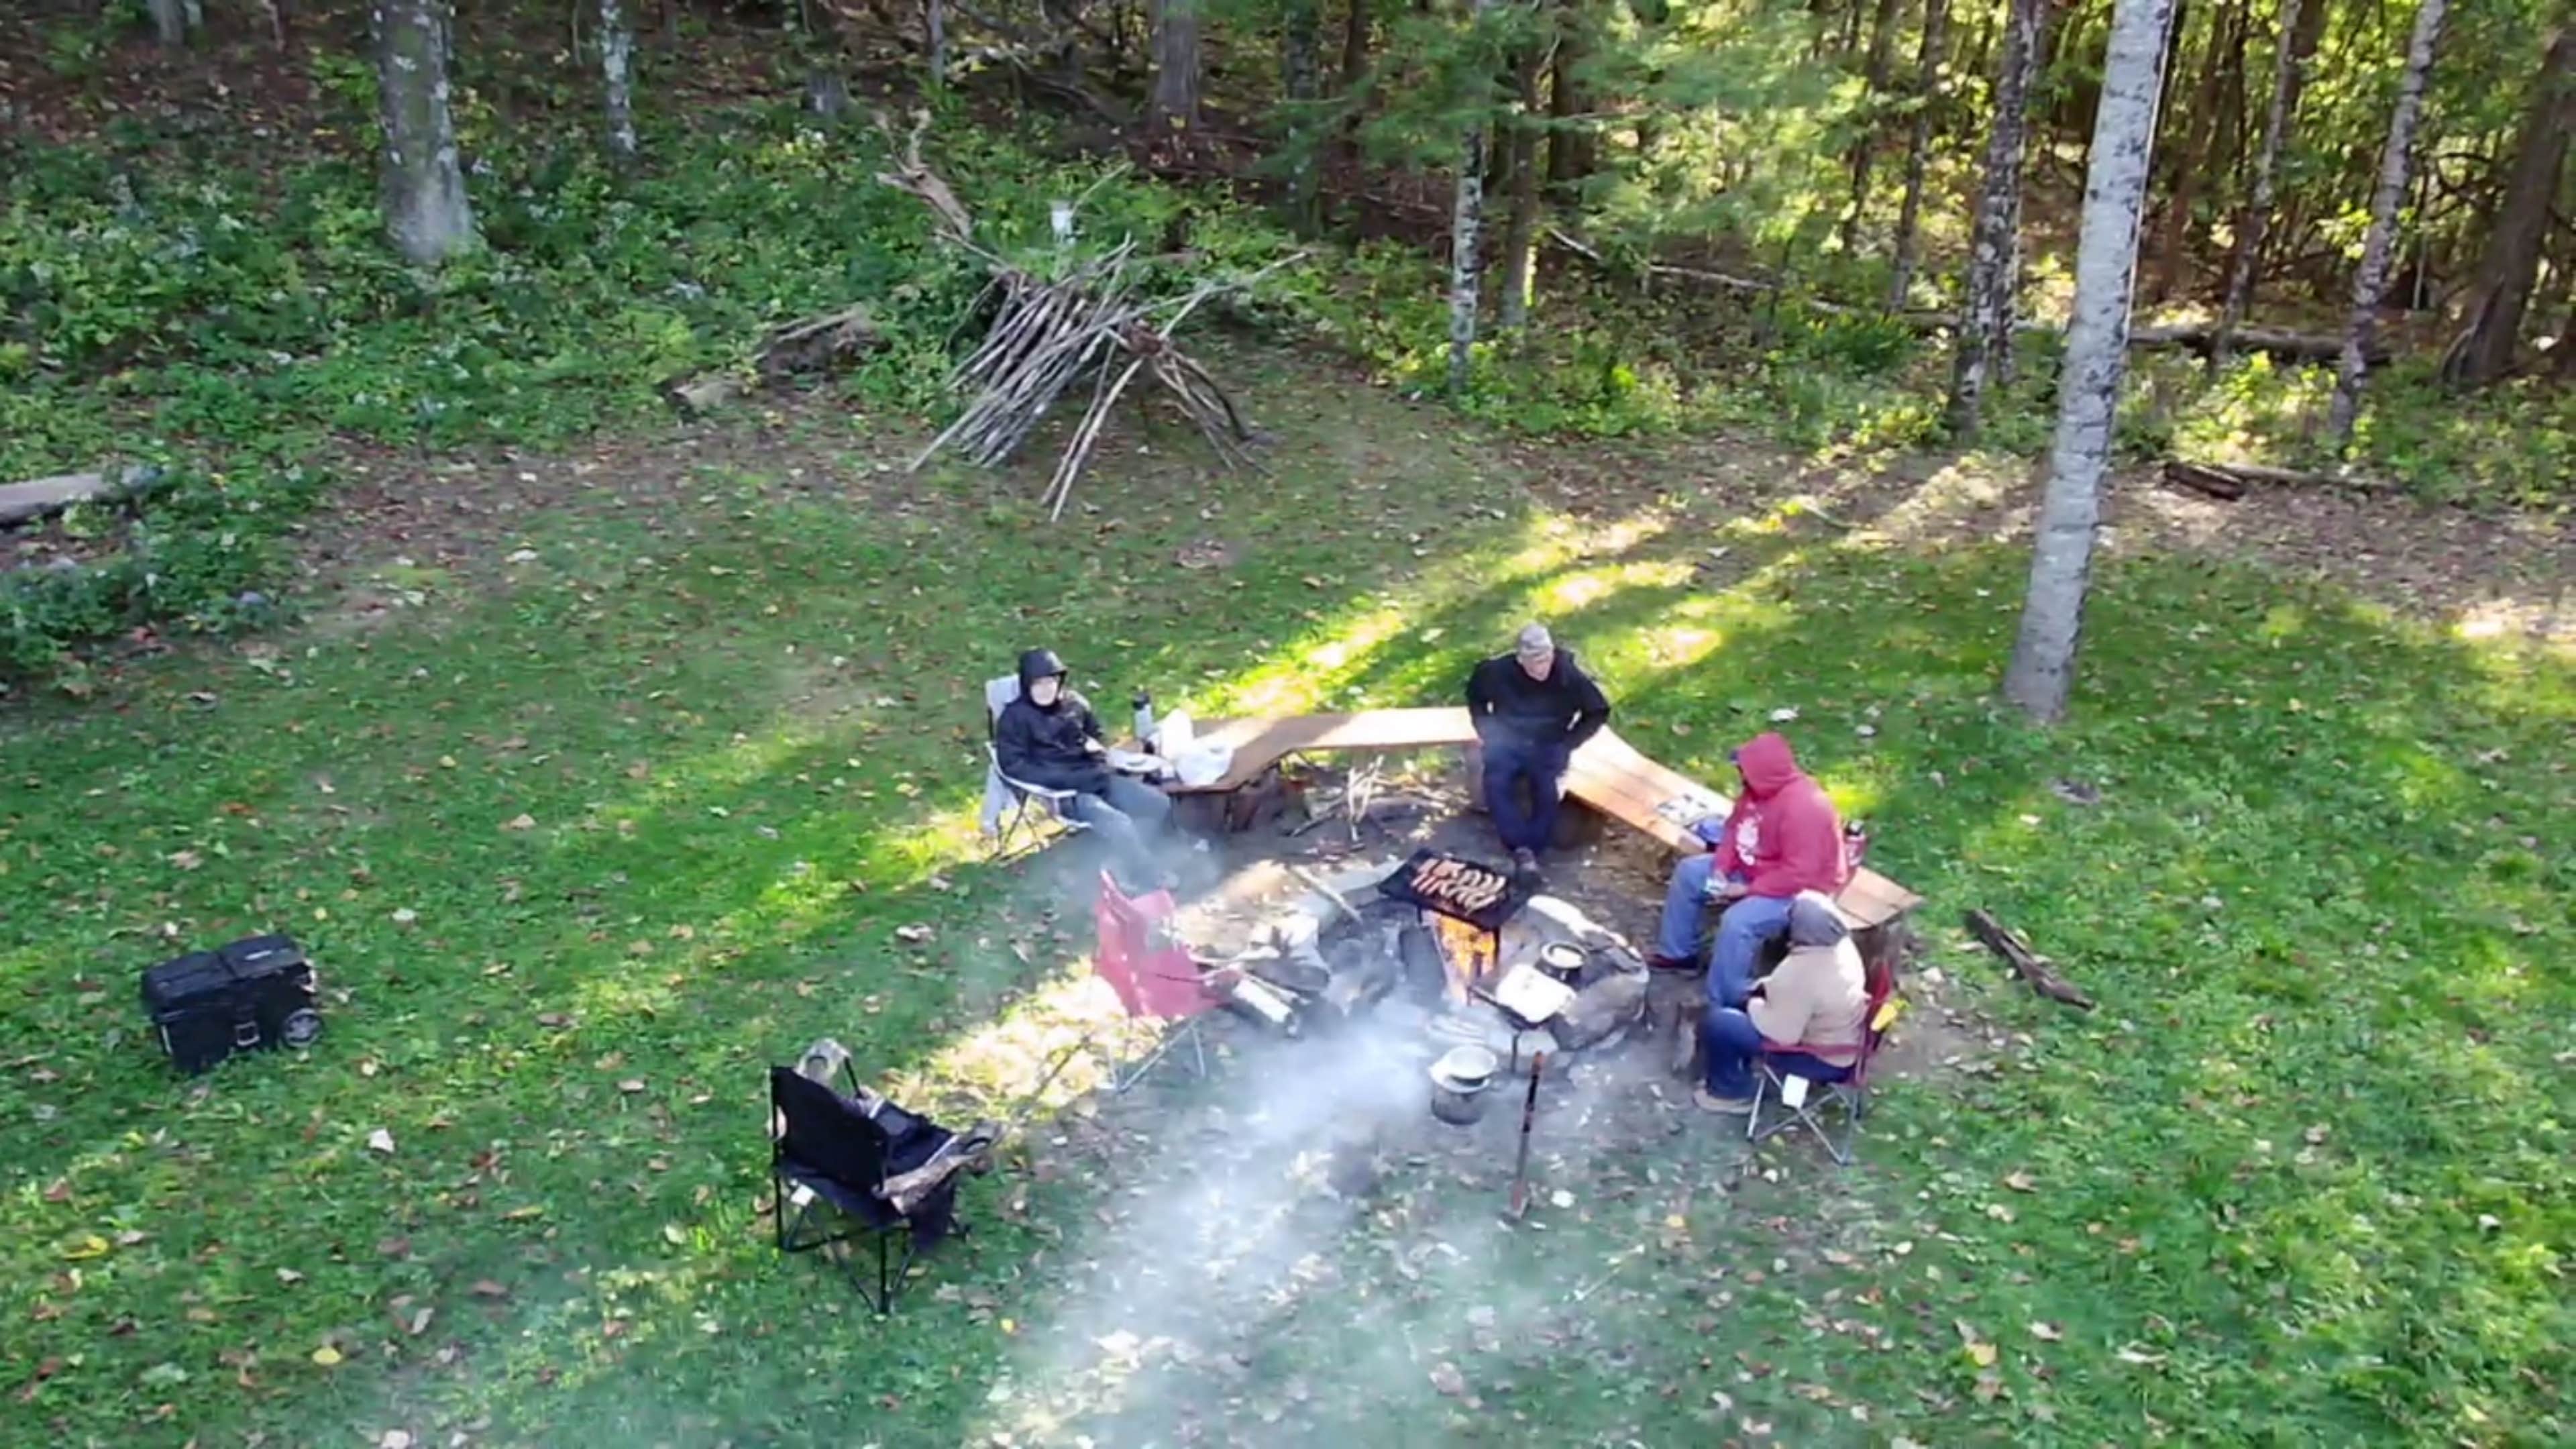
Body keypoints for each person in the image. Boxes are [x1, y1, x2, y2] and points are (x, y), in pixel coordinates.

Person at [1647, 731, 1846, 1010]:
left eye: (1743, 769)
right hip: (1756, 867)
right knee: (1691, 873)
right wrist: (1720, 868)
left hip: (1799, 892)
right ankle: (1679, 955)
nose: (1739, 774)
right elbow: (1733, 829)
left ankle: (1725, 1002)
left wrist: (1747, 890)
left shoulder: (1805, 808)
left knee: (1738, 922)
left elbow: (1799, 873)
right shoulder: (1756, 791)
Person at [994, 648, 1173, 886]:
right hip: (1066, 793)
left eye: (1051, 682)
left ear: (1060, 681)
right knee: (1119, 824)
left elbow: (1096, 735)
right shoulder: (1015, 718)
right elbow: (1013, 765)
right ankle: (1146, 877)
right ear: (1027, 685)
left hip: (1097, 776)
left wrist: (1102, 752)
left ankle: (1136, 857)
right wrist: (1066, 780)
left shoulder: (1075, 703)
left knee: (1158, 804)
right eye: (1039, 684)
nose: (1046, 689)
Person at [1695, 892, 1868, 1113]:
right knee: (1739, 997)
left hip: (1819, 1058)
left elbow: (1782, 1035)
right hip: (1843, 1040)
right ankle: (1731, 1072)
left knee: (1722, 1023)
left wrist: (1753, 1004)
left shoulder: (1802, 972)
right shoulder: (1842, 948)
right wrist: (1767, 987)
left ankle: (1731, 1093)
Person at [1464, 622, 1612, 878]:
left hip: (1549, 742)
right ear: (1521, 661)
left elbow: (1598, 711)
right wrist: (1488, 732)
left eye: (1546, 659)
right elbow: (1475, 697)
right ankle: (1519, 846)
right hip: (1507, 741)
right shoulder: (1496, 672)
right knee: (1496, 782)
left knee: (1548, 790)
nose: (1542, 668)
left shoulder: (1569, 675)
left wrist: (1568, 743)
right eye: (1535, 662)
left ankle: (1530, 850)